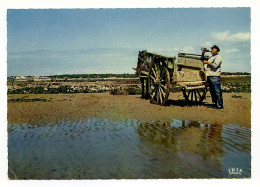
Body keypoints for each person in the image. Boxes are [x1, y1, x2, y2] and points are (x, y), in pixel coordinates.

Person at [201, 45, 224, 109]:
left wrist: (208, 62)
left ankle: (220, 105)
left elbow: (215, 66)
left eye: (213, 49)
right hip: (209, 75)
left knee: (217, 91)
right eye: (211, 49)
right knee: (212, 91)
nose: (211, 50)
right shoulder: (211, 57)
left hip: (215, 76)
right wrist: (203, 53)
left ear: (217, 50)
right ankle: (214, 104)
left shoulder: (218, 57)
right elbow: (202, 60)